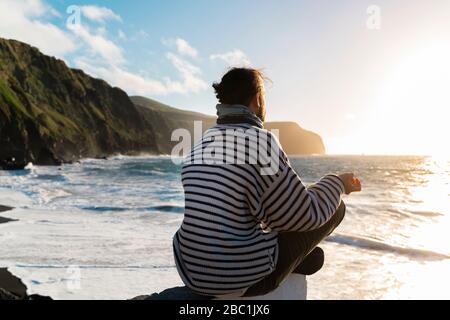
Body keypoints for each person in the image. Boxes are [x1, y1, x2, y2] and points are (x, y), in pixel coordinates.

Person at [172, 67, 362, 298]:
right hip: (235, 282)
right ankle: (293, 262)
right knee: (335, 207)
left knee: (282, 213)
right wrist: (338, 183)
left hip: (192, 272)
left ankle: (297, 261)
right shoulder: (262, 142)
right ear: (257, 100)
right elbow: (304, 215)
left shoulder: (199, 145)